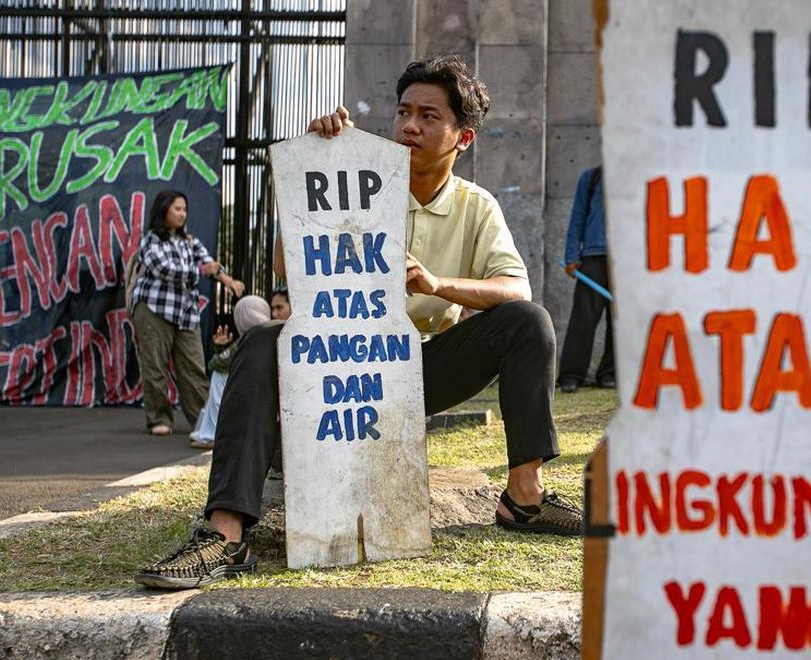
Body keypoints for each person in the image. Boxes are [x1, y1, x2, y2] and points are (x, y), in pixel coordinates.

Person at [136, 55, 582, 590]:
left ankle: (524, 499)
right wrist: (313, 171)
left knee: (528, 321)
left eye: (429, 116)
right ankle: (226, 534)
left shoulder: (477, 206)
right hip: (334, 362)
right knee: (259, 345)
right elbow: (284, 265)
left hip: (418, 369)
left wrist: (438, 284)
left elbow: (516, 289)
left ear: (462, 139)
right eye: (403, 112)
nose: (409, 125)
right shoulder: (355, 178)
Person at [131, 190, 244, 436]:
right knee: (155, 365)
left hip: (185, 312)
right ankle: (158, 418)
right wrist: (201, 270)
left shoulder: (189, 241)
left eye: (184, 209)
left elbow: (209, 263)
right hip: (154, 308)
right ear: (164, 211)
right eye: (177, 209)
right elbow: (163, 269)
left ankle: (203, 421)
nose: (182, 214)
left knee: (194, 366)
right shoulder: (151, 240)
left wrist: (227, 279)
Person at [188, 296, 274, 450]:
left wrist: (221, 352)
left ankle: (212, 433)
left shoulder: (248, 339)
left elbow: (217, 364)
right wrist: (221, 349)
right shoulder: (268, 337)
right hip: (257, 398)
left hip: (248, 398)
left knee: (219, 376)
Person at [559, 165, 614, 393]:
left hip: (629, 259)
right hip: (594, 256)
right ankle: (571, 375)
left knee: (621, 322)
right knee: (583, 318)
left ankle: (610, 374)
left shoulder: (640, 176)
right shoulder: (592, 178)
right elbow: (578, 216)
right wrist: (572, 255)